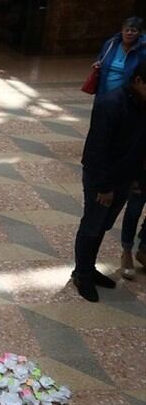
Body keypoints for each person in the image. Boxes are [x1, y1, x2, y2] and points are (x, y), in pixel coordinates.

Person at [71, 60, 146, 302]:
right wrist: (104, 186)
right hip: (101, 178)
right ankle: (81, 274)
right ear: (137, 81)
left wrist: (137, 177)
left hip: (125, 177)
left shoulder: (142, 104)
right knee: (92, 224)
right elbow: (97, 148)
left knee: (103, 225)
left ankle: (89, 268)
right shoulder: (111, 103)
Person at [93, 16, 146, 96]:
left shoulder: (143, 50)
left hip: (128, 96)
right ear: (122, 31)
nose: (129, 33)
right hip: (104, 92)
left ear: (140, 33)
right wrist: (98, 64)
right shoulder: (111, 44)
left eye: (133, 31)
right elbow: (102, 58)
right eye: (126, 30)